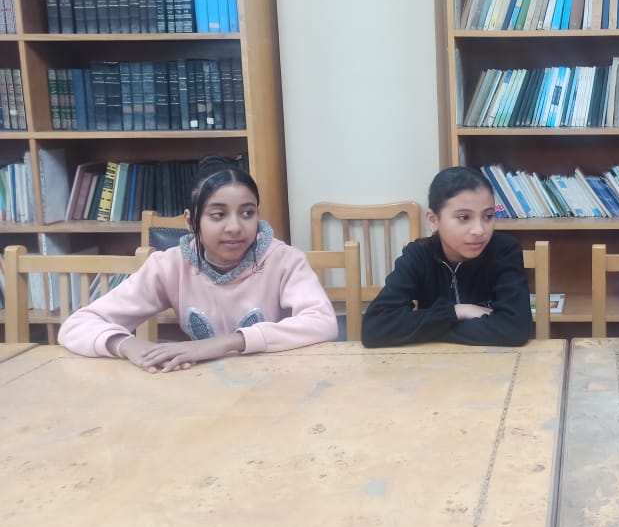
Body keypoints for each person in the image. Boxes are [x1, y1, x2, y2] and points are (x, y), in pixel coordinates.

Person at [59, 158, 338, 373]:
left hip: (276, 381)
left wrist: (225, 343)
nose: (235, 227)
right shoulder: (169, 266)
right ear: (191, 221)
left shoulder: (284, 260)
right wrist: (125, 344)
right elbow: (76, 325)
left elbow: (322, 322)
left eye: (247, 213)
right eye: (218, 215)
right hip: (201, 385)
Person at [361, 166, 532, 347]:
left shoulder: (504, 250)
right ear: (433, 220)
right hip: (433, 362)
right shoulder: (418, 255)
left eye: (488, 216)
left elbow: (516, 329)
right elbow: (374, 328)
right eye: (464, 217)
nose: (479, 230)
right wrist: (457, 311)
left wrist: (428, 329)